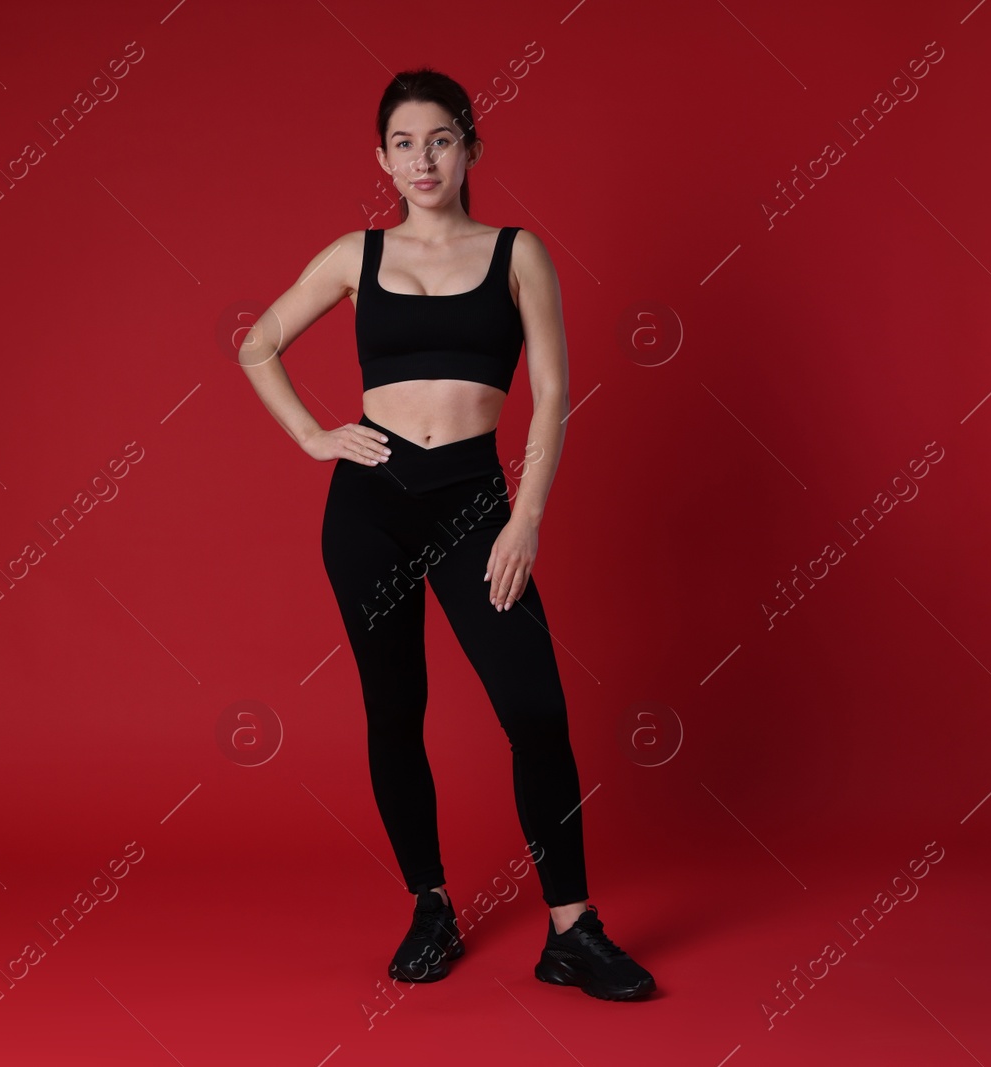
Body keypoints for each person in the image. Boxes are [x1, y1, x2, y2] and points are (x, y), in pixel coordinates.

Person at [238, 68, 654, 1002]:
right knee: (396, 710)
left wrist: (528, 518)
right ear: (380, 158)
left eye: (440, 140)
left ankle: (571, 930)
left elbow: (551, 394)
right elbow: (256, 342)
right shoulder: (358, 256)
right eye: (403, 144)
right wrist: (312, 435)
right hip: (369, 508)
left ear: (470, 148)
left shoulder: (517, 253)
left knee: (535, 709)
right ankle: (430, 903)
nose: (422, 159)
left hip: (475, 501)